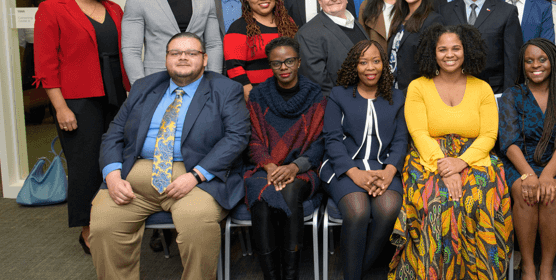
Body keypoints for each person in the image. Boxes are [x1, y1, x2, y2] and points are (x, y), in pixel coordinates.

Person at [89, 32, 250, 280]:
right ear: (166, 59)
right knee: (104, 225)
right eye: (175, 53)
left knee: (197, 224)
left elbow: (237, 137)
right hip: (136, 176)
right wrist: (112, 175)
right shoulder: (144, 87)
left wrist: (196, 175)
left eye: (191, 53)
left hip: (196, 177)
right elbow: (113, 135)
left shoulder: (226, 89)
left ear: (205, 59)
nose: (183, 58)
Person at [389, 24, 512, 280]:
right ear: (432, 53)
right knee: (437, 198)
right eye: (442, 49)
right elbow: (419, 133)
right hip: (429, 157)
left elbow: (489, 135)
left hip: (474, 156)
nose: (449, 54)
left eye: (456, 48)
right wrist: (445, 167)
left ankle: (480, 274)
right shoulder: (417, 88)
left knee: (480, 196)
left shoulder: (482, 89)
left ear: (466, 51)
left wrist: (461, 163)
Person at [33, 0, 130, 254]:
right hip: (76, 98)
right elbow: (45, 64)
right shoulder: (52, 9)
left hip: (115, 93)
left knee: (115, 159)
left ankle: (112, 220)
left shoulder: (113, 8)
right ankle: (88, 229)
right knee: (85, 164)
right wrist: (60, 107)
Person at [320, 40, 407, 280]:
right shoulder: (339, 95)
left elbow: (401, 140)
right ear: (354, 66)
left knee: (389, 209)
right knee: (357, 211)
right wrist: (354, 173)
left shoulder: (397, 97)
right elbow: (332, 139)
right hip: (344, 168)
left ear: (384, 65)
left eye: (376, 61)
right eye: (363, 62)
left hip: (383, 168)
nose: (371, 67)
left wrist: (390, 172)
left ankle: (358, 272)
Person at [244, 37, 326, 280]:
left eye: (289, 61)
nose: (284, 67)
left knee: (290, 194)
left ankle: (290, 276)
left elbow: (320, 141)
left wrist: (293, 167)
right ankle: (271, 275)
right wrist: (270, 167)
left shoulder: (315, 95)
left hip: (303, 168)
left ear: (299, 62)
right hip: (265, 167)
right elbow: (252, 139)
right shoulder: (259, 96)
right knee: (261, 197)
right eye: (277, 63)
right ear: (270, 65)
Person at [498, 38, 556, 280]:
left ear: (552, 62)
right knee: (526, 194)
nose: (536, 65)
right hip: (518, 164)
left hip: (553, 165)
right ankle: (528, 267)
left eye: (542, 59)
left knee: (552, 195)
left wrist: (546, 176)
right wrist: (530, 175)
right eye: (529, 61)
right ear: (523, 65)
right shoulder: (513, 95)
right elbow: (509, 142)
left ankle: (546, 268)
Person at [440, 0, 523, 93]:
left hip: (493, 93)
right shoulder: (445, 11)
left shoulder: (507, 12)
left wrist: (509, 101)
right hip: (452, 92)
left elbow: (513, 63)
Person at [223, 0, 297, 100]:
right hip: (258, 101)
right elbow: (236, 71)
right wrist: (256, 103)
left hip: (291, 96)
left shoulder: (288, 23)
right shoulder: (238, 28)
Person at [297, 0, 369, 96]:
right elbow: (319, 83)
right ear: (319, 1)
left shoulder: (355, 23)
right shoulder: (307, 34)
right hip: (338, 105)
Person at [387, 0, 443, 91]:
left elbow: (434, 65)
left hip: (416, 93)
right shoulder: (398, 18)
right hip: (393, 92)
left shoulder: (433, 20)